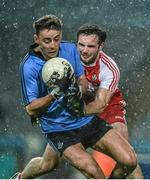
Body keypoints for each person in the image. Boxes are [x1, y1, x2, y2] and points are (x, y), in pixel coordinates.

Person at [12, 15, 137, 179]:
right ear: (37, 39)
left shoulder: (71, 49)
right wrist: (55, 93)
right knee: (91, 172)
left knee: (130, 161)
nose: (53, 45)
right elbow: (30, 108)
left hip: (86, 120)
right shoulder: (29, 66)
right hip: (59, 129)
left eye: (56, 39)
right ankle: (20, 178)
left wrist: (78, 89)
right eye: (47, 40)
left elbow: (82, 80)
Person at [76, 24, 143, 178]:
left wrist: (77, 110)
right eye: (81, 45)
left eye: (91, 46)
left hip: (107, 106)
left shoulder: (109, 68)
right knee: (48, 163)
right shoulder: (66, 57)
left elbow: (100, 104)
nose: (84, 50)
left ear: (101, 46)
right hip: (79, 106)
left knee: (126, 155)